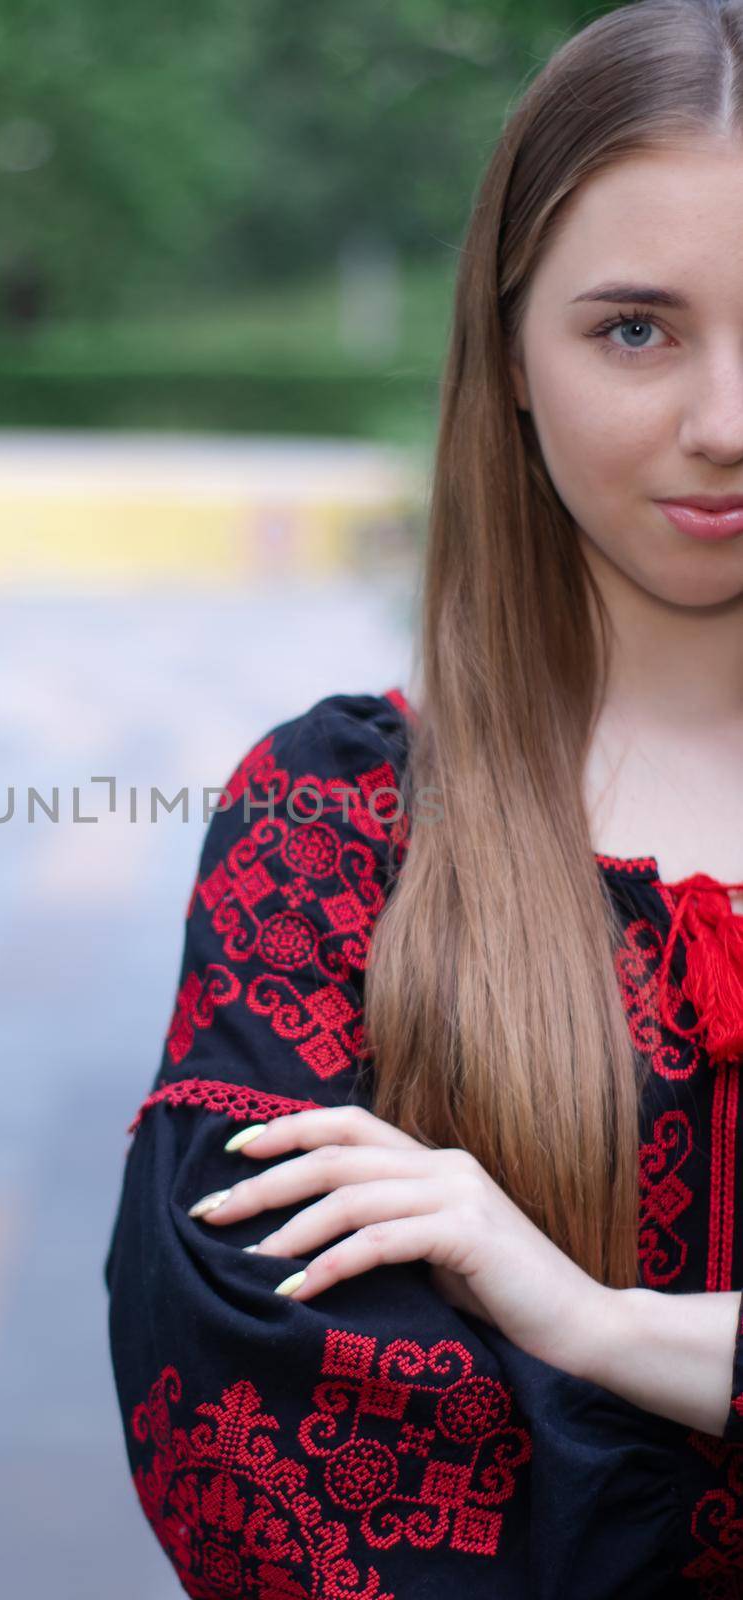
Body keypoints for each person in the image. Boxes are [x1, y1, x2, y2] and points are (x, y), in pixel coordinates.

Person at [103, 0, 743, 1592]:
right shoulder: (333, 828)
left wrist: (586, 1323)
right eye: (635, 330)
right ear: (511, 359)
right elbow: (248, 1432)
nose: (727, 424)